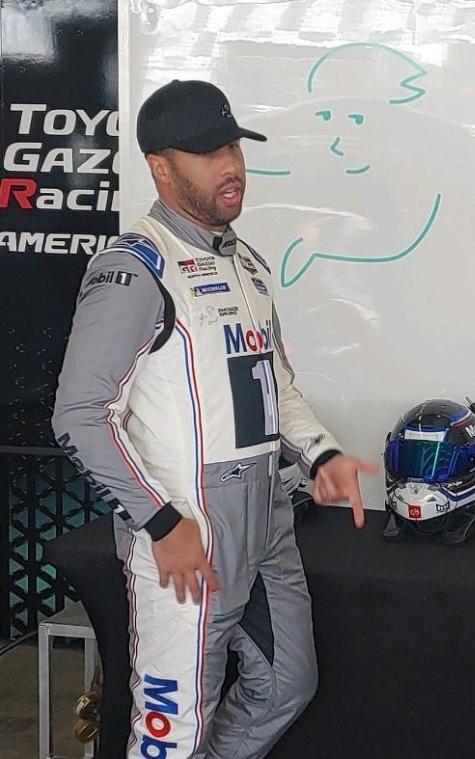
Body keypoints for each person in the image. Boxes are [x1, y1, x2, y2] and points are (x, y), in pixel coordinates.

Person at [52, 79, 376, 759]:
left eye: (232, 145)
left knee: (289, 681)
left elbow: (275, 385)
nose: (229, 164)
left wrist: (321, 455)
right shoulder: (136, 268)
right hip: (187, 527)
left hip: (268, 516)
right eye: (206, 151)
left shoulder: (247, 263)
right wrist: (160, 523)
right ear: (160, 167)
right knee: (173, 735)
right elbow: (80, 415)